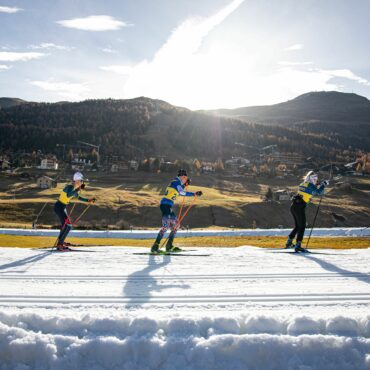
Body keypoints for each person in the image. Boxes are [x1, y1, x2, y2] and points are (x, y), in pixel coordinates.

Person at [151, 169, 203, 253]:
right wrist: (194, 194)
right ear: (182, 176)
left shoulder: (177, 183)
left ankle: (169, 245)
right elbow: (181, 193)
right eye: (185, 178)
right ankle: (155, 246)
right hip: (165, 205)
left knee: (176, 225)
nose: (186, 179)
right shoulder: (176, 182)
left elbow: (179, 189)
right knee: (166, 225)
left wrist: (185, 185)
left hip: (168, 206)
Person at [286, 171, 329, 252]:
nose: (315, 180)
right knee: (302, 226)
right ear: (310, 178)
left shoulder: (302, 184)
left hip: (293, 206)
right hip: (299, 207)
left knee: (297, 226)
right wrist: (324, 184)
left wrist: (318, 186)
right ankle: (298, 245)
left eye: (316, 179)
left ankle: (289, 242)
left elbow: (310, 190)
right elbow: (318, 192)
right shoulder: (310, 185)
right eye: (314, 179)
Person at [54, 172, 95, 251]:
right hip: (59, 207)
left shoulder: (74, 188)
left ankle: (61, 242)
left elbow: (78, 197)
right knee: (68, 226)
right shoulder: (70, 187)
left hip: (62, 207)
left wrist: (88, 200)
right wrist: (78, 189)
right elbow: (68, 195)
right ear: (77, 181)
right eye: (81, 181)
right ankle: (60, 244)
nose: (82, 183)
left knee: (66, 225)